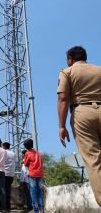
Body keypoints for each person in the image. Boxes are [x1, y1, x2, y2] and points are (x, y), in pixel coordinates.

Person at [57, 46, 101, 206]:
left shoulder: (67, 72)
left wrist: (62, 126)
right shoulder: (99, 70)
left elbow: (63, 98)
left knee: (94, 160)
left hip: (82, 112)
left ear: (70, 58)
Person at [23, 139, 44, 213]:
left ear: (26, 146)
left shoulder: (27, 153)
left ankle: (36, 210)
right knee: (40, 193)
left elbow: (25, 164)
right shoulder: (39, 153)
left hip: (32, 174)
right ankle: (42, 210)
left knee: (33, 193)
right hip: (40, 174)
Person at [3, 142, 16, 211]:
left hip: (5, 174)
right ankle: (8, 206)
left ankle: (5, 206)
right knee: (8, 190)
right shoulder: (13, 154)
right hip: (11, 174)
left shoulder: (3, 153)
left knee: (3, 191)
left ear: (4, 146)